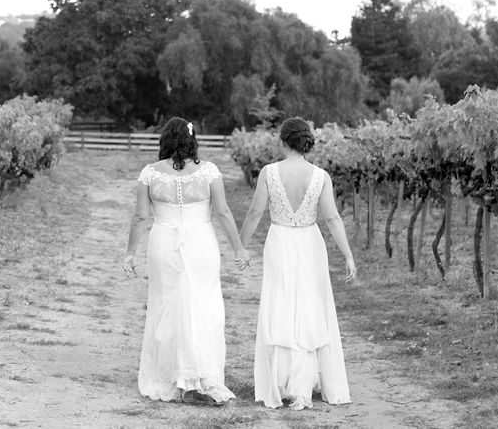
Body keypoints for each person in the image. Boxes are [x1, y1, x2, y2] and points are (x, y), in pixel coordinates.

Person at [122, 117, 251, 405]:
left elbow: (142, 216)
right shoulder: (208, 172)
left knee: (166, 305)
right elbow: (223, 213)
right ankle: (201, 376)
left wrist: (130, 253)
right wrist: (239, 249)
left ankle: (172, 377)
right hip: (201, 243)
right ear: (193, 140)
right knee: (203, 306)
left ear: (164, 140)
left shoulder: (150, 173)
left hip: (163, 243)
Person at [238, 116, 356, 410]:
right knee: (309, 307)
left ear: (283, 140)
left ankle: (279, 382)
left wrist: (240, 246)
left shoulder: (268, 172)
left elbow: (254, 214)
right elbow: (332, 218)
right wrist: (349, 256)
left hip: (279, 240)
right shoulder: (320, 176)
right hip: (309, 242)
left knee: (280, 304)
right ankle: (301, 385)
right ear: (307, 142)